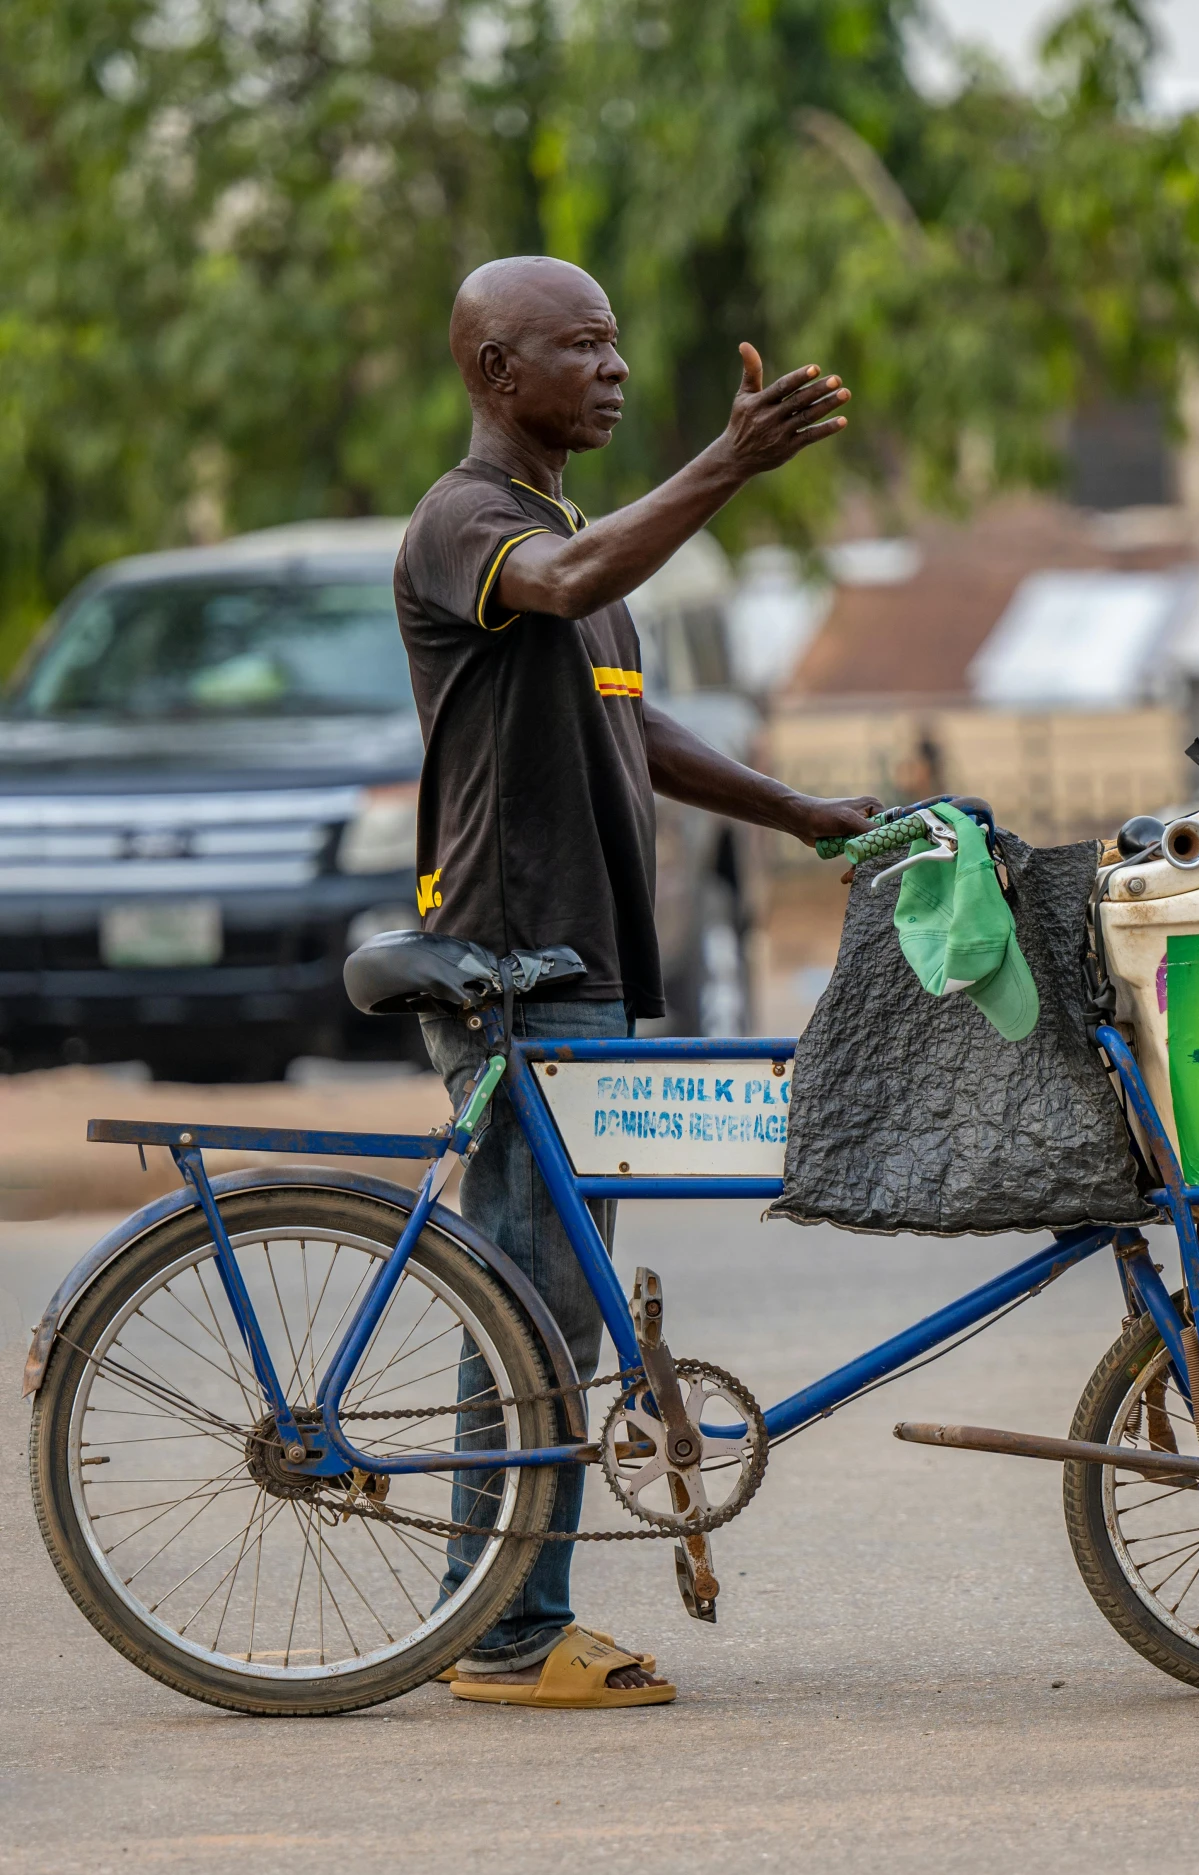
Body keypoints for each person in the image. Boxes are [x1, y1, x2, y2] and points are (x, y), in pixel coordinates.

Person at [393, 255, 879, 1707]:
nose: (612, 369)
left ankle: (502, 1608)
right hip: (511, 958)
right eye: (582, 348)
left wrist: (799, 812)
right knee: (533, 1296)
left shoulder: (567, 531)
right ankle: (504, 1631)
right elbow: (571, 582)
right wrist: (727, 464)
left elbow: (634, 719)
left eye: (615, 345)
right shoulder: (471, 523)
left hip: (579, 959)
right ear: (497, 374)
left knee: (555, 1295)